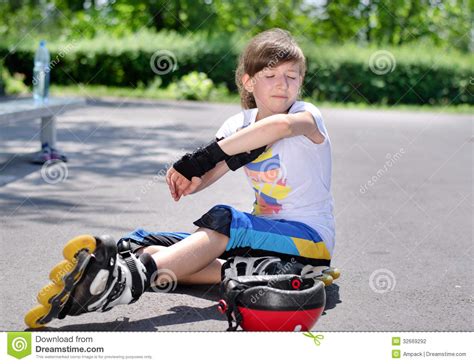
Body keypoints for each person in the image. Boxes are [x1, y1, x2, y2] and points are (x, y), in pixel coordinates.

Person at [26, 28, 336, 325]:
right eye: (270, 76)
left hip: (309, 237)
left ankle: (124, 283)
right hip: (261, 242)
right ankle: (272, 271)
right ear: (249, 82)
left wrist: (201, 159)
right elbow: (216, 168)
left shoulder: (307, 116)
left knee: (224, 220)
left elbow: (278, 128)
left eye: (291, 77)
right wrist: (197, 178)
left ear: (301, 82)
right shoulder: (236, 125)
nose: (282, 84)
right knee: (141, 246)